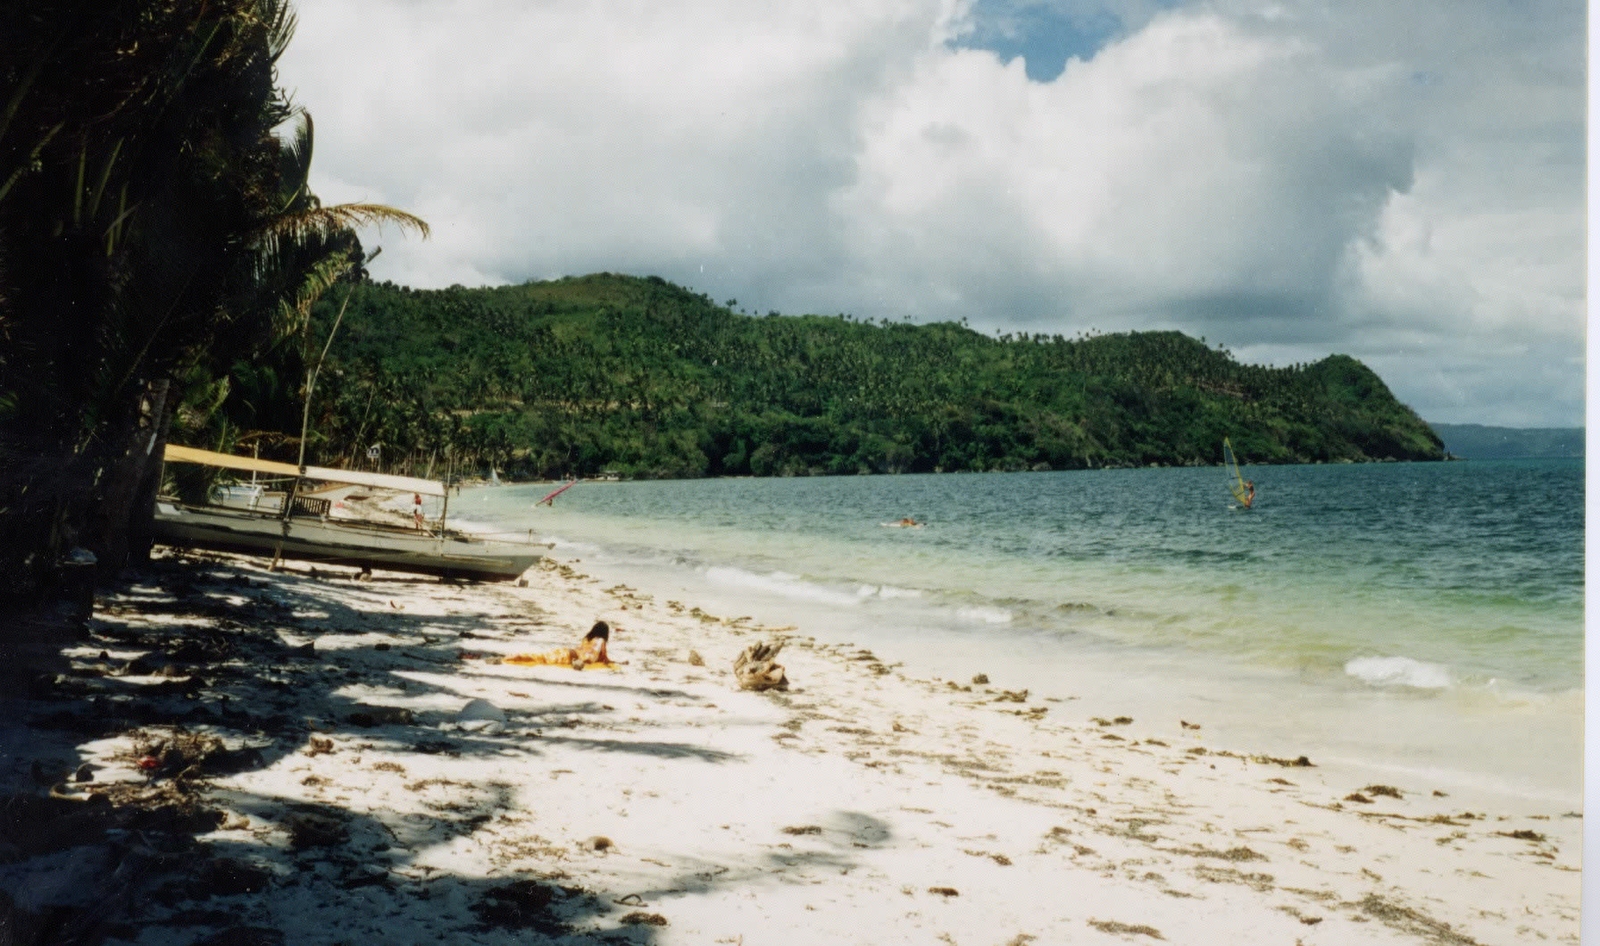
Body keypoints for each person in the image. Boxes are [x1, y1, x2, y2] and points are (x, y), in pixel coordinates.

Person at [505, 621, 613, 669]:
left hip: (568, 652)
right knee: (541, 659)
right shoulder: (601, 641)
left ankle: (515, 656)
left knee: (541, 657)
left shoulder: (587, 639)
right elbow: (605, 659)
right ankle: (517, 656)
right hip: (572, 657)